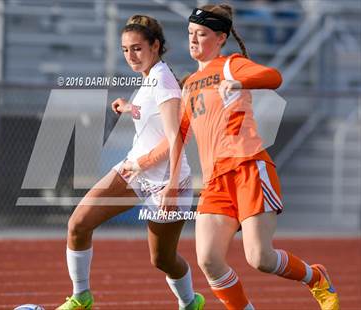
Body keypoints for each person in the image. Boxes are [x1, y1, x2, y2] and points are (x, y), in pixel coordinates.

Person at [125, 4, 340, 310]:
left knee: (260, 258)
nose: (194, 40)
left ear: (221, 38)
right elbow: (175, 139)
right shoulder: (187, 87)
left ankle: (316, 277)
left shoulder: (230, 65)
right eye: (190, 34)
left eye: (201, 34)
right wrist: (142, 164)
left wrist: (240, 82)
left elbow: (273, 77)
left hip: (249, 167)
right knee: (209, 260)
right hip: (216, 181)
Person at [56, 15, 205, 310]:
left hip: (167, 181)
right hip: (134, 170)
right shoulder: (151, 77)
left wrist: (173, 187)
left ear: (155, 45)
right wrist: (129, 107)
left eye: (137, 48)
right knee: (79, 224)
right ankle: (81, 296)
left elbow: (175, 138)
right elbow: (152, 118)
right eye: (125, 50)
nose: (130, 56)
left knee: (162, 259)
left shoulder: (163, 81)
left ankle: (190, 302)